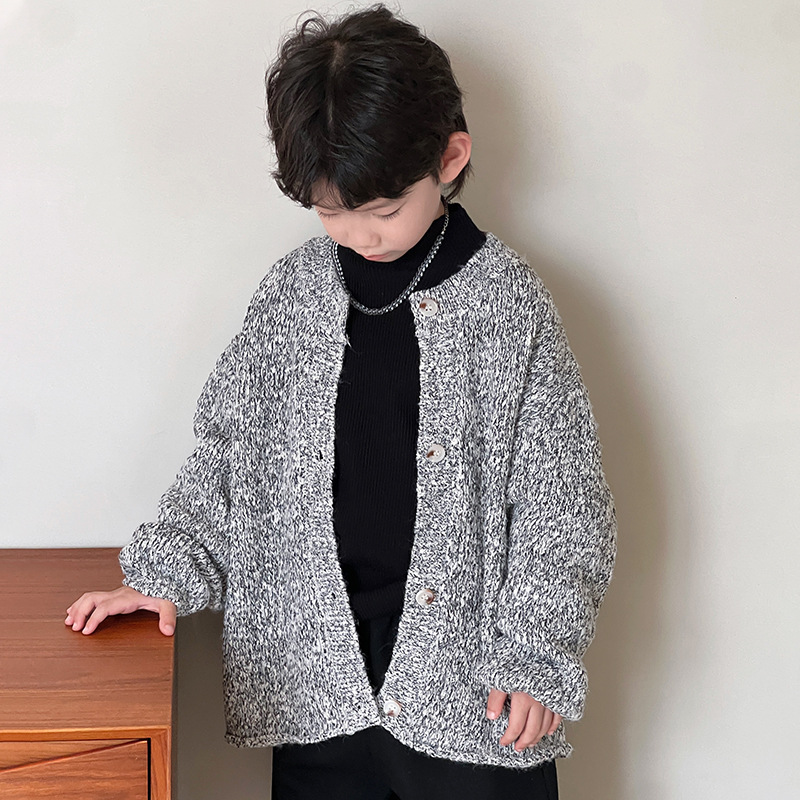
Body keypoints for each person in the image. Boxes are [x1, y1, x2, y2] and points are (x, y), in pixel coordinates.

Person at [65, 5, 617, 799]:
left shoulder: (508, 306)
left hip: (475, 690)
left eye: (383, 211)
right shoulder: (291, 297)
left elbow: (562, 503)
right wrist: (166, 570)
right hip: (317, 681)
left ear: (450, 157)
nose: (360, 234)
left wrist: (536, 652)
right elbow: (231, 453)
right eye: (330, 212)